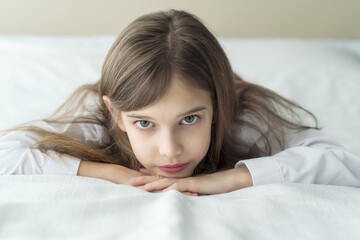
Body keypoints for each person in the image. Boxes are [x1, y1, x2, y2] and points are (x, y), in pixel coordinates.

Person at [1, 10, 359, 196]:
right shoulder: (97, 115)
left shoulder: (244, 115)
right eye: (145, 123)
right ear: (117, 114)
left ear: (217, 106)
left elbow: (343, 162)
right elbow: (7, 153)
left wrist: (231, 179)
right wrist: (111, 172)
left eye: (189, 119)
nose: (170, 151)